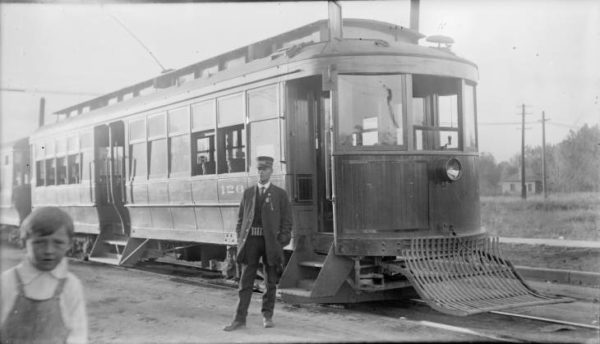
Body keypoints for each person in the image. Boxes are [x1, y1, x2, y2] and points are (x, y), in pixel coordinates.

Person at [224, 156, 292, 331]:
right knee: (245, 282)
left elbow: (287, 220)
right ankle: (239, 320)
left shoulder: (280, 194)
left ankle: (267, 316)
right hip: (251, 243)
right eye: (259, 169)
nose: (261, 172)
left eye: (265, 169)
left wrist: (281, 240)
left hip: (271, 244)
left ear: (271, 171)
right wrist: (240, 238)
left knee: (270, 282)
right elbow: (240, 220)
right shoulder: (248, 193)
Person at [1, 207, 88, 344]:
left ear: (69, 244)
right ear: (23, 243)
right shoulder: (6, 282)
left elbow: (78, 336)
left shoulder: (71, 286)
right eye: (39, 243)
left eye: (58, 243)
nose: (49, 251)